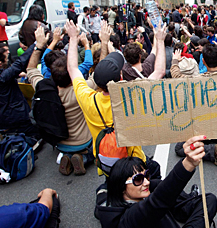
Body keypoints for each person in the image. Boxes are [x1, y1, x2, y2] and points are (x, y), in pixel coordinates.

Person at [67, 20, 165, 175]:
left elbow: (72, 68)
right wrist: (159, 40)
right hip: (133, 163)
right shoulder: (131, 98)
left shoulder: (88, 99)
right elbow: (159, 71)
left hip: (107, 164)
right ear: (120, 77)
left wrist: (73, 39)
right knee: (155, 171)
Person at [97, 136, 217, 228]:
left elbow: (162, 188)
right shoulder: (130, 221)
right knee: (208, 202)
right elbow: (159, 199)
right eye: (138, 179)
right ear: (122, 188)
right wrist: (188, 163)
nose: (146, 182)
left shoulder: (130, 197)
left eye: (146, 175)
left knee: (208, 199)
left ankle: (186, 206)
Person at [27, 26, 95, 175]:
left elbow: (31, 69)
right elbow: (99, 71)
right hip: (83, 141)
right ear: (71, 72)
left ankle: (67, 156)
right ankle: (82, 158)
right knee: (99, 143)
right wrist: (83, 42)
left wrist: (39, 46)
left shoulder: (43, 87)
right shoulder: (81, 89)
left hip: (59, 142)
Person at [171, 35, 217, 166]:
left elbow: (177, 76)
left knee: (179, 148)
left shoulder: (197, 81)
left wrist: (175, 61)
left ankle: (213, 151)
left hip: (207, 124)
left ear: (204, 62)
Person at [0, 37, 38, 137]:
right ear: (0, 63)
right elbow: (20, 63)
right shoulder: (3, 77)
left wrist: (16, 75)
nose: (7, 60)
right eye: (5, 59)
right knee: (33, 135)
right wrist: (37, 44)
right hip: (16, 118)